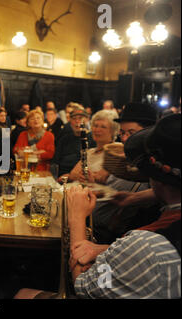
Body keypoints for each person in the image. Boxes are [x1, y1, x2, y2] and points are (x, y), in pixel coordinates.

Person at [15, 113, 181, 299]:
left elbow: (83, 287)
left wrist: (76, 218)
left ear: (156, 179)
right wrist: (106, 248)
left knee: (23, 293)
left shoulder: (146, 245)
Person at [91, 102, 159, 243]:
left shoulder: (156, 163)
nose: (125, 138)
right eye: (122, 133)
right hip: (93, 225)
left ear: (149, 133)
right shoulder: (124, 159)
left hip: (110, 238)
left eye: (131, 133)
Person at [68, 109, 119, 184]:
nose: (97, 129)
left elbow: (101, 178)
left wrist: (82, 175)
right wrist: (82, 176)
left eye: (103, 127)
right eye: (95, 125)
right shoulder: (90, 152)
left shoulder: (115, 151)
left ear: (113, 131)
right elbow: (72, 174)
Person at [52, 105, 95, 179]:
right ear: (70, 121)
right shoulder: (64, 139)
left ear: (87, 120)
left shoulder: (93, 138)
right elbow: (55, 162)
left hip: (82, 178)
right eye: (74, 118)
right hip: (62, 178)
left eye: (80, 118)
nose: (77, 121)